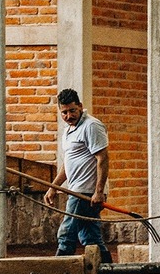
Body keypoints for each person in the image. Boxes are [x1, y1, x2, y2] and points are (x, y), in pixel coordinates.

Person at [44, 88, 113, 262]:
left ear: (80, 106)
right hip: (75, 189)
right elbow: (67, 165)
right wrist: (53, 188)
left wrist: (98, 191)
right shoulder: (68, 131)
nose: (68, 116)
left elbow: (102, 158)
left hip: (85, 192)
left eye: (72, 110)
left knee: (67, 234)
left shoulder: (91, 126)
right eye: (64, 112)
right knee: (90, 236)